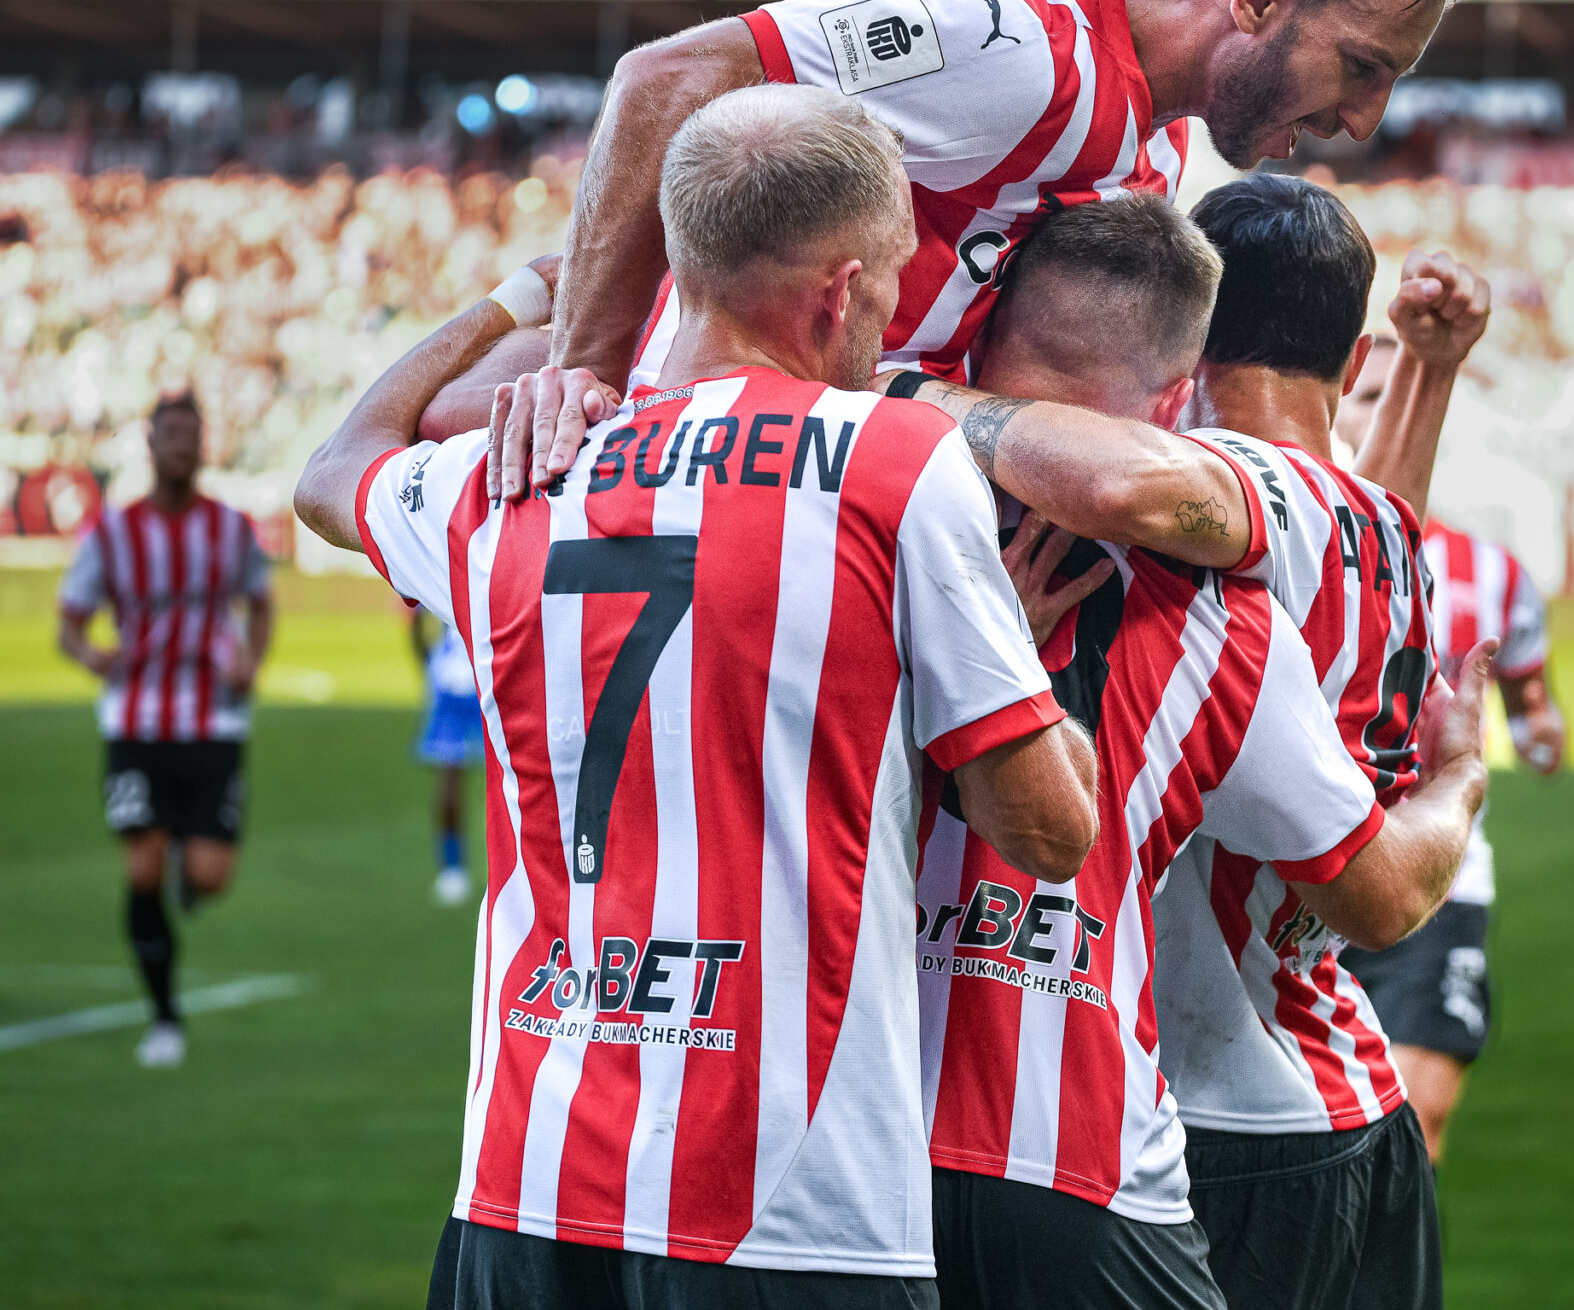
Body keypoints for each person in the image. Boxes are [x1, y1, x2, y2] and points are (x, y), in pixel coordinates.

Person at [296, 85, 1099, 1308]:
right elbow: (1048, 833)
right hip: (791, 1209)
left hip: (526, 1188)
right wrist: (1020, 666)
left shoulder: (517, 469)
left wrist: (527, 299)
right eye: (884, 287)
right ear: (841, 289)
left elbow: (334, 471)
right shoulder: (891, 457)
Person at [454, 0, 1476, 488]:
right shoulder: (1022, 40)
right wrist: (580, 370)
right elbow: (666, 79)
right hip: (718, 480)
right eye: (1360, 67)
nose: (1363, 122)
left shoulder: (1156, 135)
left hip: (849, 497)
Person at [891, 173, 1488, 1310]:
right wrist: (1432, 375)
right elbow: (1353, 503)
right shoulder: (1385, 531)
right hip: (1342, 1078)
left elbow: (1138, 485)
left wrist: (894, 392)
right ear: (1349, 363)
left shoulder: (1239, 506)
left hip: (1214, 1105)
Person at [1334, 332, 1568, 1164]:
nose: (1387, 416)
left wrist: (1542, 731)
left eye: (1408, 397)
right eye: (1369, 397)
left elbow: (1533, 700)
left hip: (1438, 872)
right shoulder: (1292, 545)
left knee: (1411, 1122)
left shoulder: (1492, 571)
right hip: (1302, 871)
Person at [57, 390, 274, 1070]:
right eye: (170, 432)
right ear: (150, 443)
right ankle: (165, 1015)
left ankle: (188, 853)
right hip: (135, 722)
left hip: (214, 721)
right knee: (141, 864)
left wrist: (250, 658)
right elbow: (70, 621)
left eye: (191, 433)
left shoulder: (232, 530)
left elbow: (261, 603)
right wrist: (91, 651)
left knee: (209, 876)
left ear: (202, 445)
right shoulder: (112, 534)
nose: (181, 444)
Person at [408, 603, 482, 905]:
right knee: (453, 782)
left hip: (468, 673)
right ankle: (453, 868)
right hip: (465, 676)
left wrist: (427, 662)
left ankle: (454, 870)